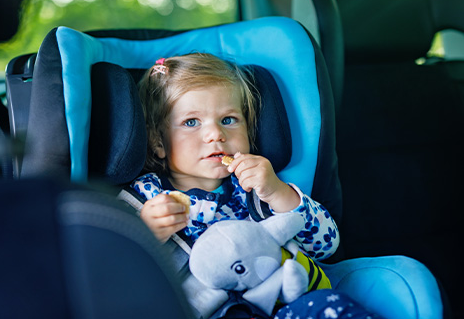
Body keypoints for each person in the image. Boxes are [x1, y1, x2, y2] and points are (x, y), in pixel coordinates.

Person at [132, 53, 382, 318]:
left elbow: (326, 246)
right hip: (200, 309)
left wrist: (278, 192)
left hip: (280, 303)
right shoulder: (146, 197)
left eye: (228, 119)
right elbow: (112, 273)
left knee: (332, 306)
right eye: (191, 122)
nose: (216, 134)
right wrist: (144, 232)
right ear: (158, 141)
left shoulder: (255, 187)